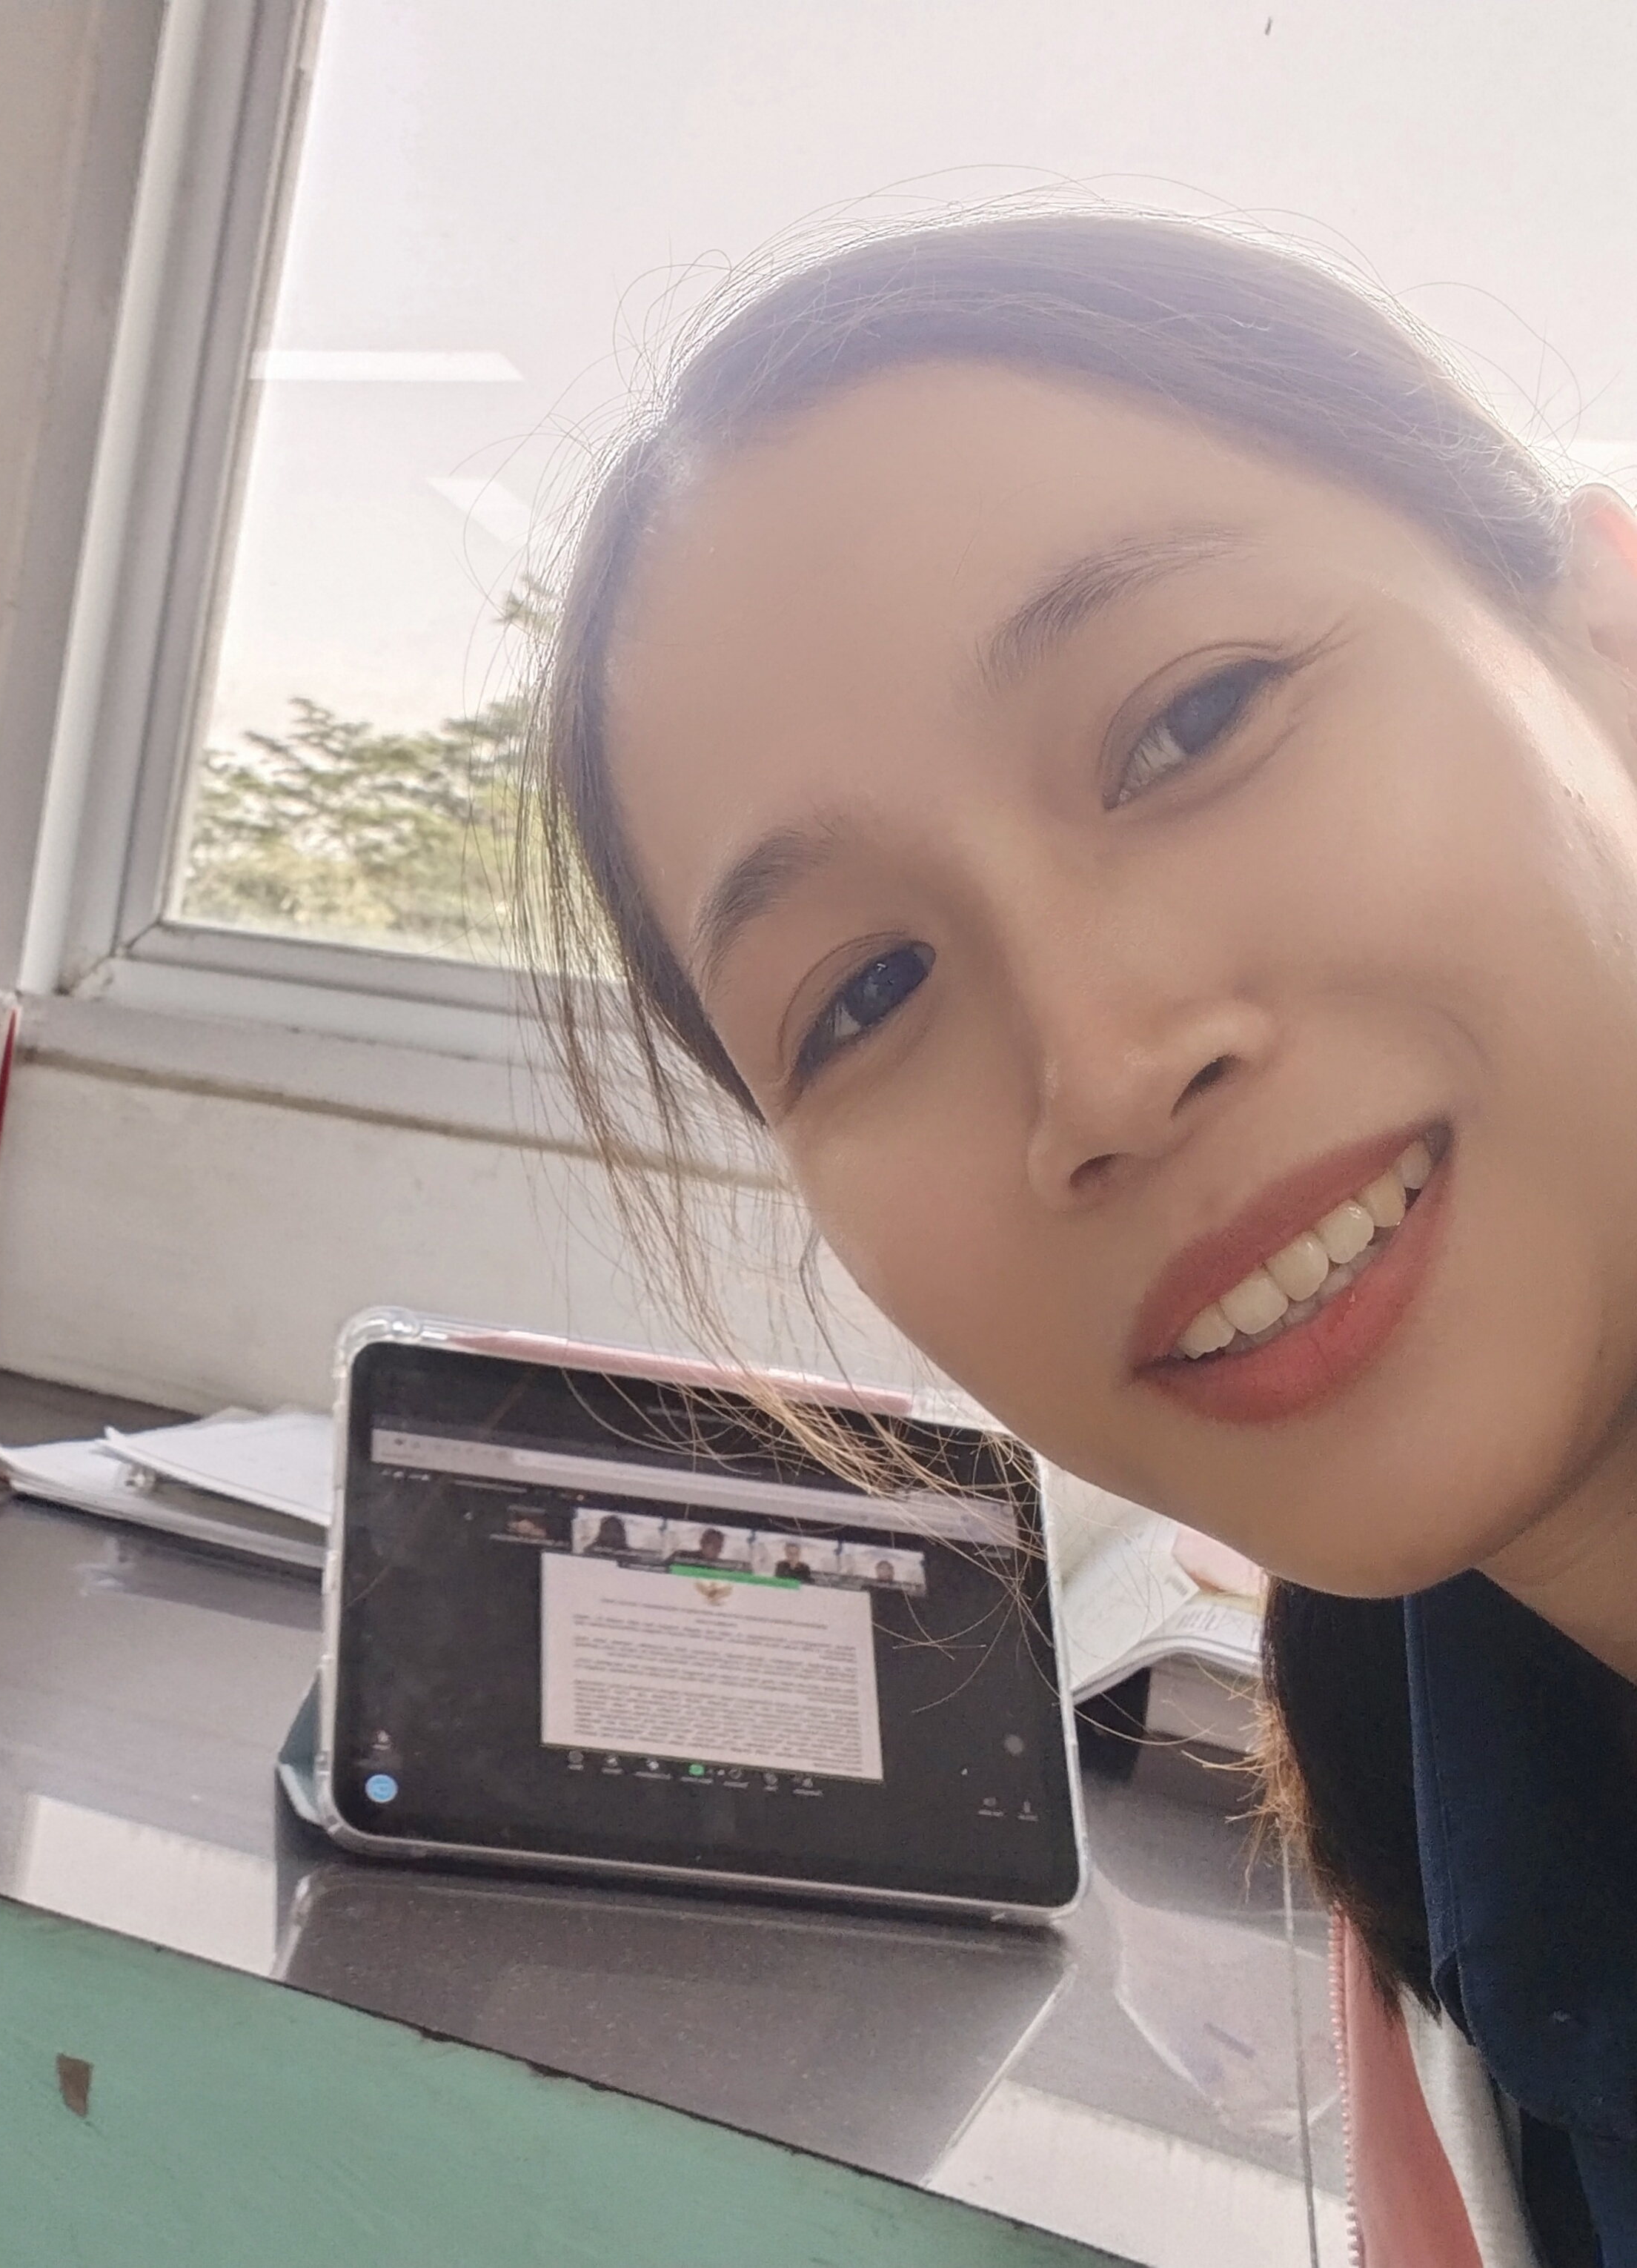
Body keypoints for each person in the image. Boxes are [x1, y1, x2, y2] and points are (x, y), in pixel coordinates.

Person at [531, 208, 1637, 2262]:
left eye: (1192, 721)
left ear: (1608, 628)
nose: (1102, 1067)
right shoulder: (1413, 1749)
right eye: (865, 995)